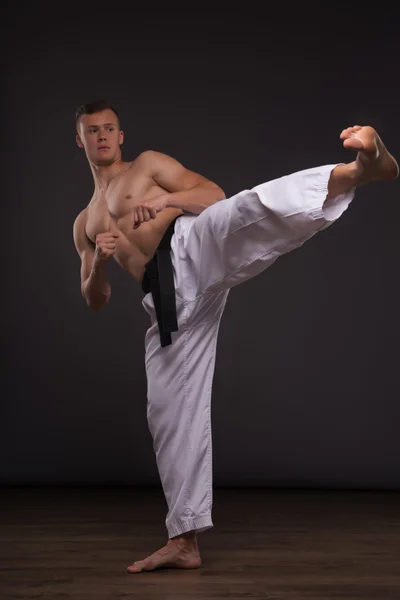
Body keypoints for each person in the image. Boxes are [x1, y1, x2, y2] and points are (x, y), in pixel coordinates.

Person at [72, 101, 398, 573]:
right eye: (91, 131)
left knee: (241, 213)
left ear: (121, 136)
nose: (102, 137)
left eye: (109, 129)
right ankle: (184, 541)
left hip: (187, 246)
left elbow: (214, 194)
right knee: (167, 412)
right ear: (79, 141)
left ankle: (359, 170)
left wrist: (166, 201)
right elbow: (94, 298)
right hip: (165, 301)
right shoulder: (85, 222)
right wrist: (100, 262)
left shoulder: (148, 166)